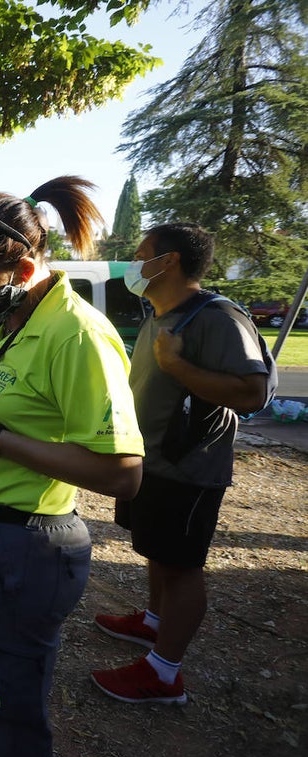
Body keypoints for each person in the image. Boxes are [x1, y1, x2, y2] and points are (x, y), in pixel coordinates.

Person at [0, 177, 145, 757]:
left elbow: (122, 474)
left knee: (9, 690)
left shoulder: (78, 336)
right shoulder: (4, 315)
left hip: (28, 542)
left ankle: (5, 750)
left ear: (23, 268)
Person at [90, 223, 268, 705]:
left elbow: (253, 394)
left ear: (167, 262)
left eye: (140, 252)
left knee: (182, 566)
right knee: (159, 554)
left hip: (189, 469)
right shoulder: (161, 312)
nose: (133, 261)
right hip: (152, 462)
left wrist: (178, 368)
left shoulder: (217, 317)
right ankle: (152, 623)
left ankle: (165, 674)